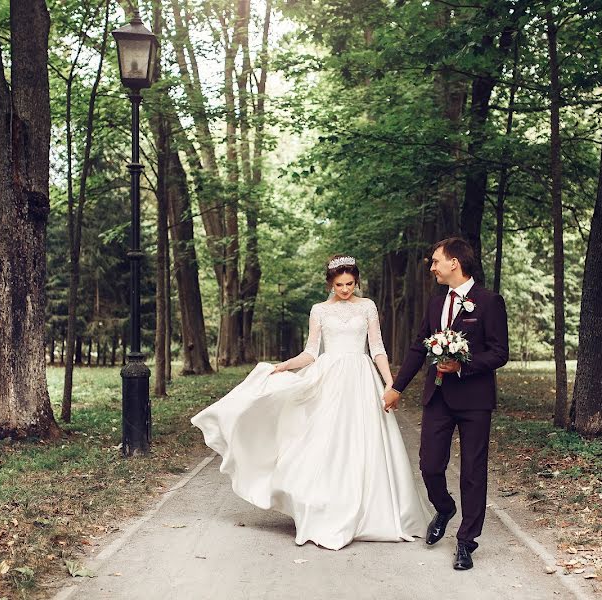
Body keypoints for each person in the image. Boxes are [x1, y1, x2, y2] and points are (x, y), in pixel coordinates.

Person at [191, 255, 430, 550]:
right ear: (330, 283)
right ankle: (323, 504)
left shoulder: (367, 306)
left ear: (357, 282)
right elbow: (311, 351)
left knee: (364, 439)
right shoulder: (319, 310)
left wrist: (389, 382)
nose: (345, 289)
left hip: (360, 376)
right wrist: (287, 365)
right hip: (330, 377)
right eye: (340, 284)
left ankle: (373, 508)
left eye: (350, 283)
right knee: (323, 439)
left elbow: (377, 347)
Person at [382, 237, 509, 571]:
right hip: (437, 395)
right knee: (429, 464)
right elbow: (417, 348)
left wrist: (463, 365)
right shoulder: (436, 302)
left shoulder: (489, 301)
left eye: (436, 261)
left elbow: (499, 353)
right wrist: (397, 387)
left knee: (472, 471)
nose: (432, 266)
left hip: (475, 400)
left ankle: (466, 542)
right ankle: (444, 506)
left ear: (455, 262)